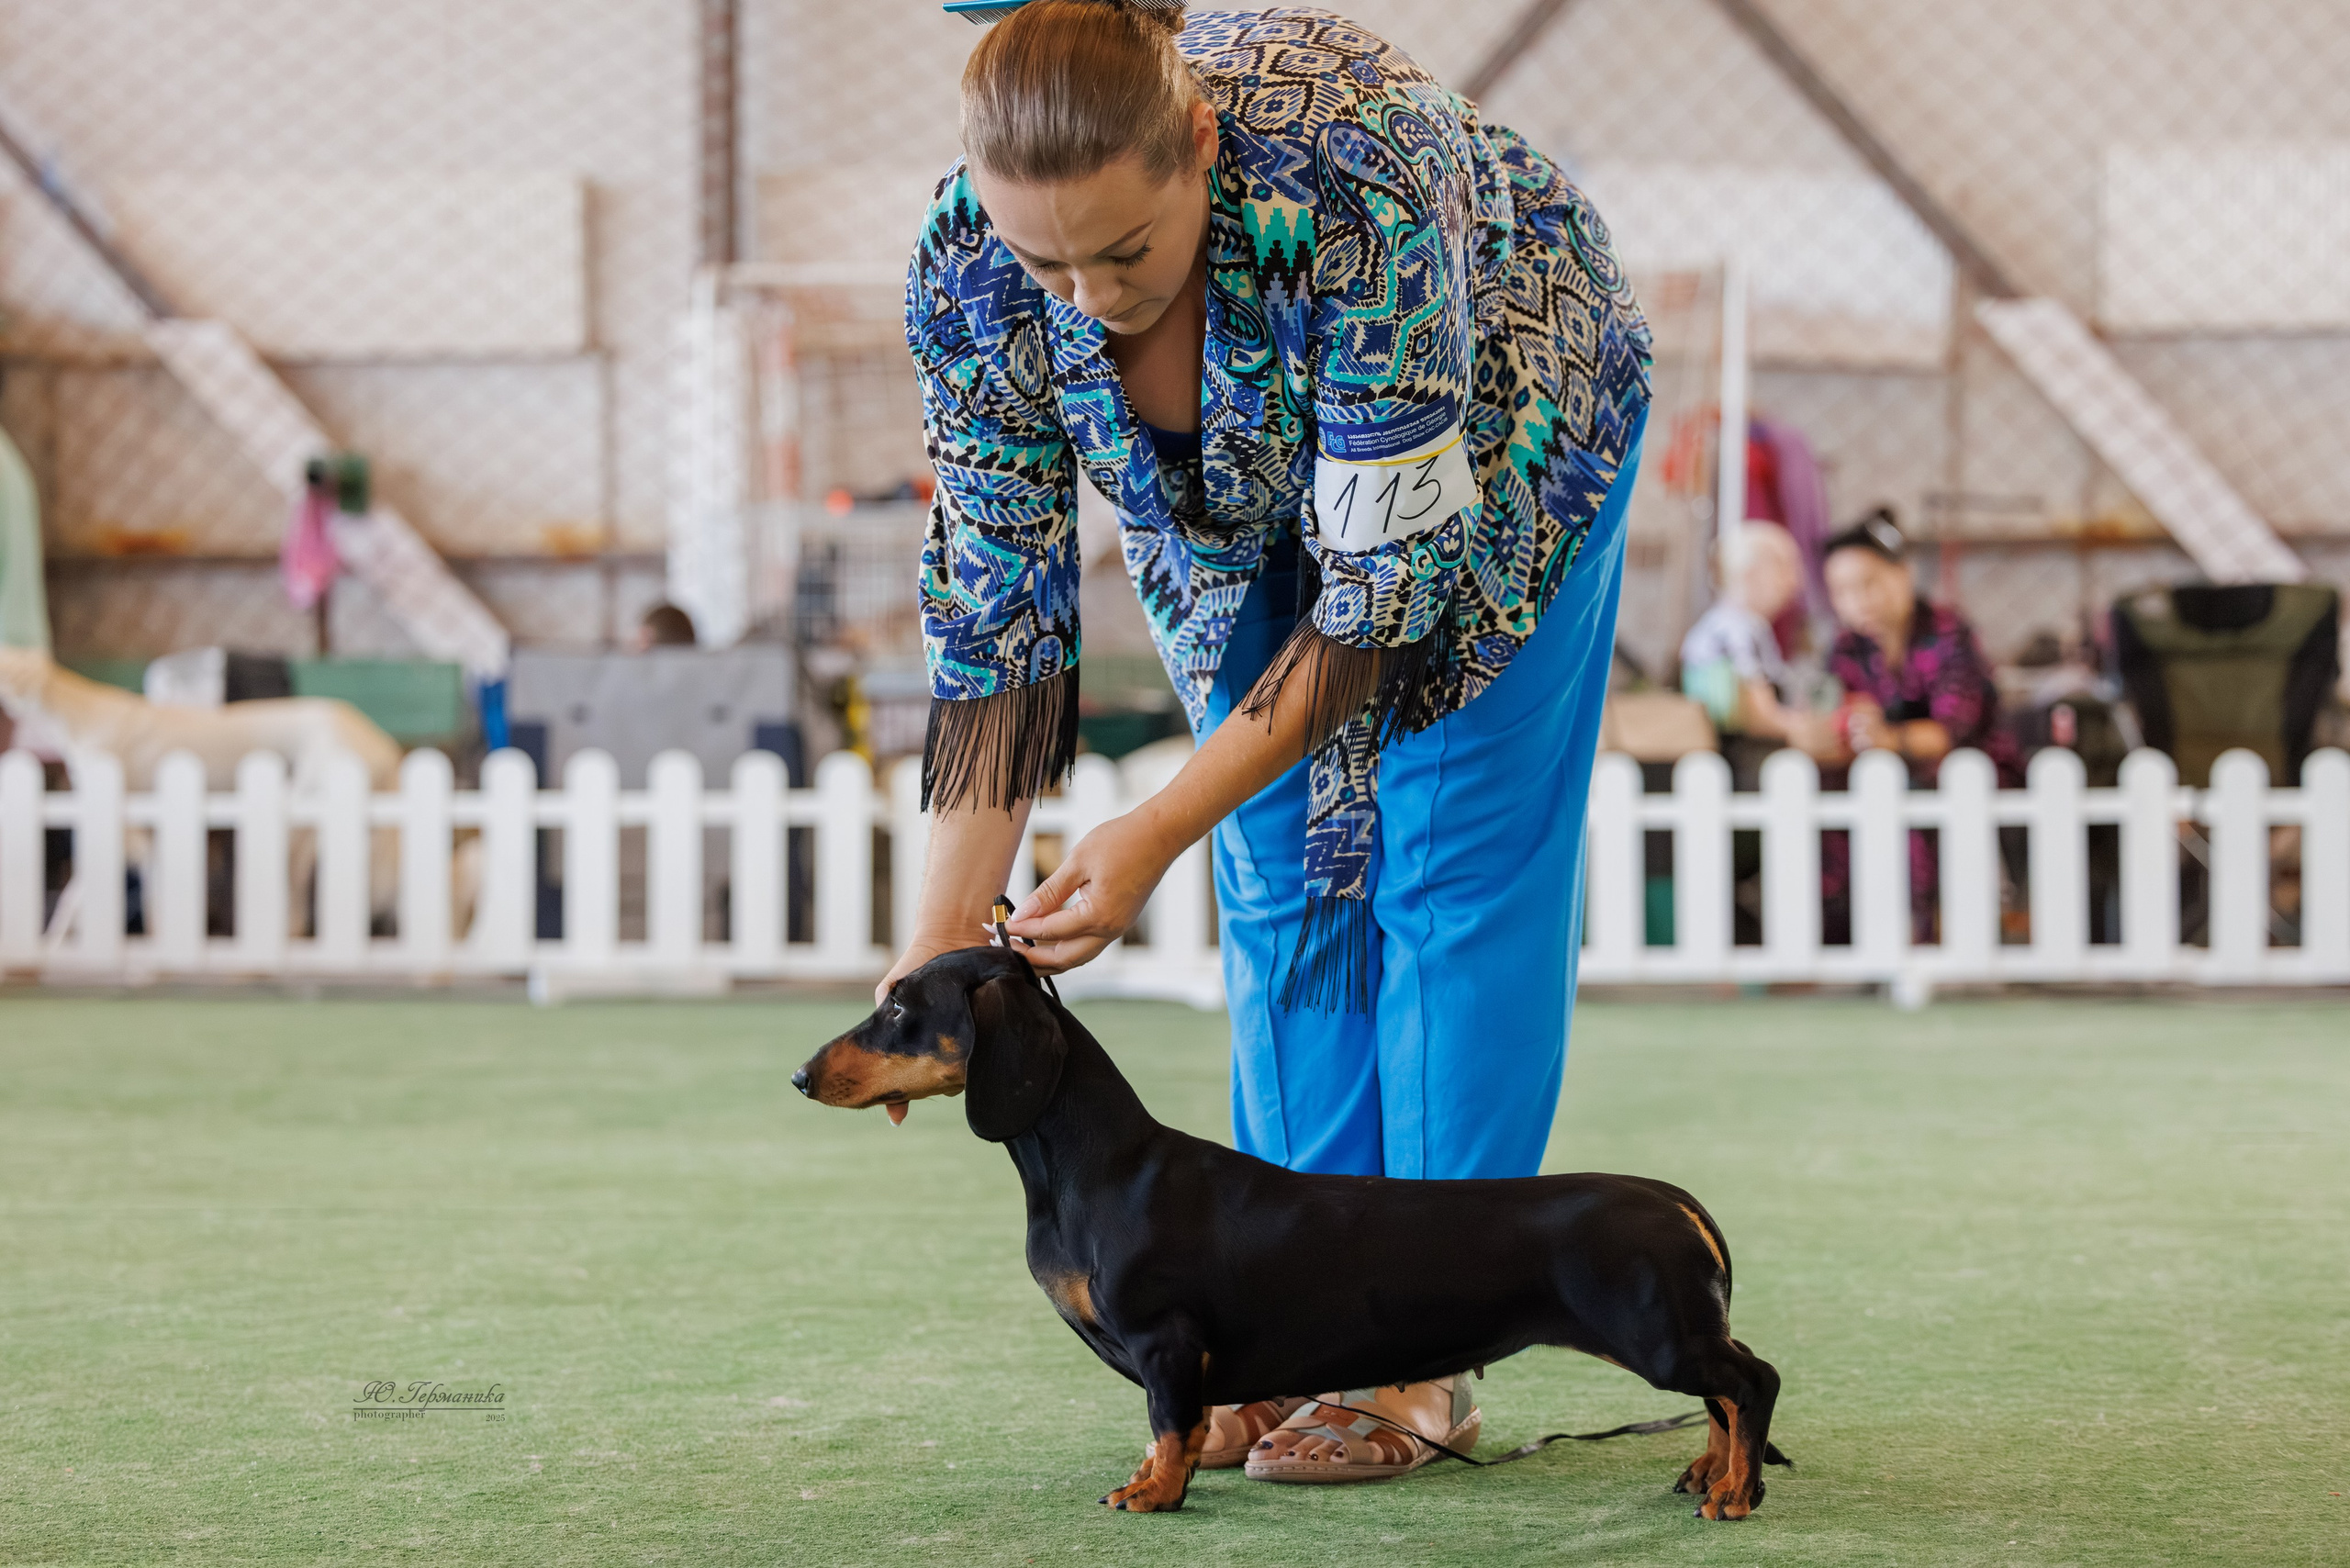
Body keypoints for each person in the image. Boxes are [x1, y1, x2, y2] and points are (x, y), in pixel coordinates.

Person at [889, 0, 1650, 1481]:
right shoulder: (968, 269)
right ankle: (1286, 1337)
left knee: (1443, 860)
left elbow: (1379, 605)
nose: (1087, 296)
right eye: (1046, 259)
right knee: (1284, 868)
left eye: (1125, 251)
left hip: (1507, 435)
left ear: (1199, 147)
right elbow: (994, 625)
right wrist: (931, 956)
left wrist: (1151, 825)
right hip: (1224, 512)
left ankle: (1420, 1350)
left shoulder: (1354, 186)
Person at [1811, 508, 2020, 941]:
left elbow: (1951, 731)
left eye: (1868, 584)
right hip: (1878, 775)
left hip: (1963, 775)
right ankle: (1843, 934)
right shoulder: (1846, 647)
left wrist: (1886, 738)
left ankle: (1925, 933)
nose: (1857, 600)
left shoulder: (1949, 633)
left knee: (1917, 785)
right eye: (1841, 591)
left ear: (1902, 574)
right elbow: (1839, 716)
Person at [1680, 521, 1837, 769]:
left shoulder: (1738, 626)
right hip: (1740, 761)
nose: (1795, 583)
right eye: (1785, 567)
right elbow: (1757, 714)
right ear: (1749, 572)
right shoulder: (1734, 630)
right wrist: (1807, 729)